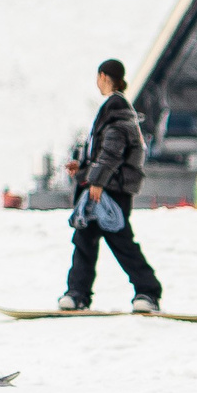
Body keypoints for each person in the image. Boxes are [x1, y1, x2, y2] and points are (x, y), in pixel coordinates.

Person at [58, 58, 163, 312]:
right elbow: (104, 154)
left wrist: (96, 181)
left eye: (98, 77)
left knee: (120, 241)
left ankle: (147, 292)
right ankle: (77, 293)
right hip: (104, 188)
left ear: (104, 76)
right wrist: (83, 170)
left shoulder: (115, 109)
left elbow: (112, 151)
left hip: (110, 192)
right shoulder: (115, 109)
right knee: (84, 240)